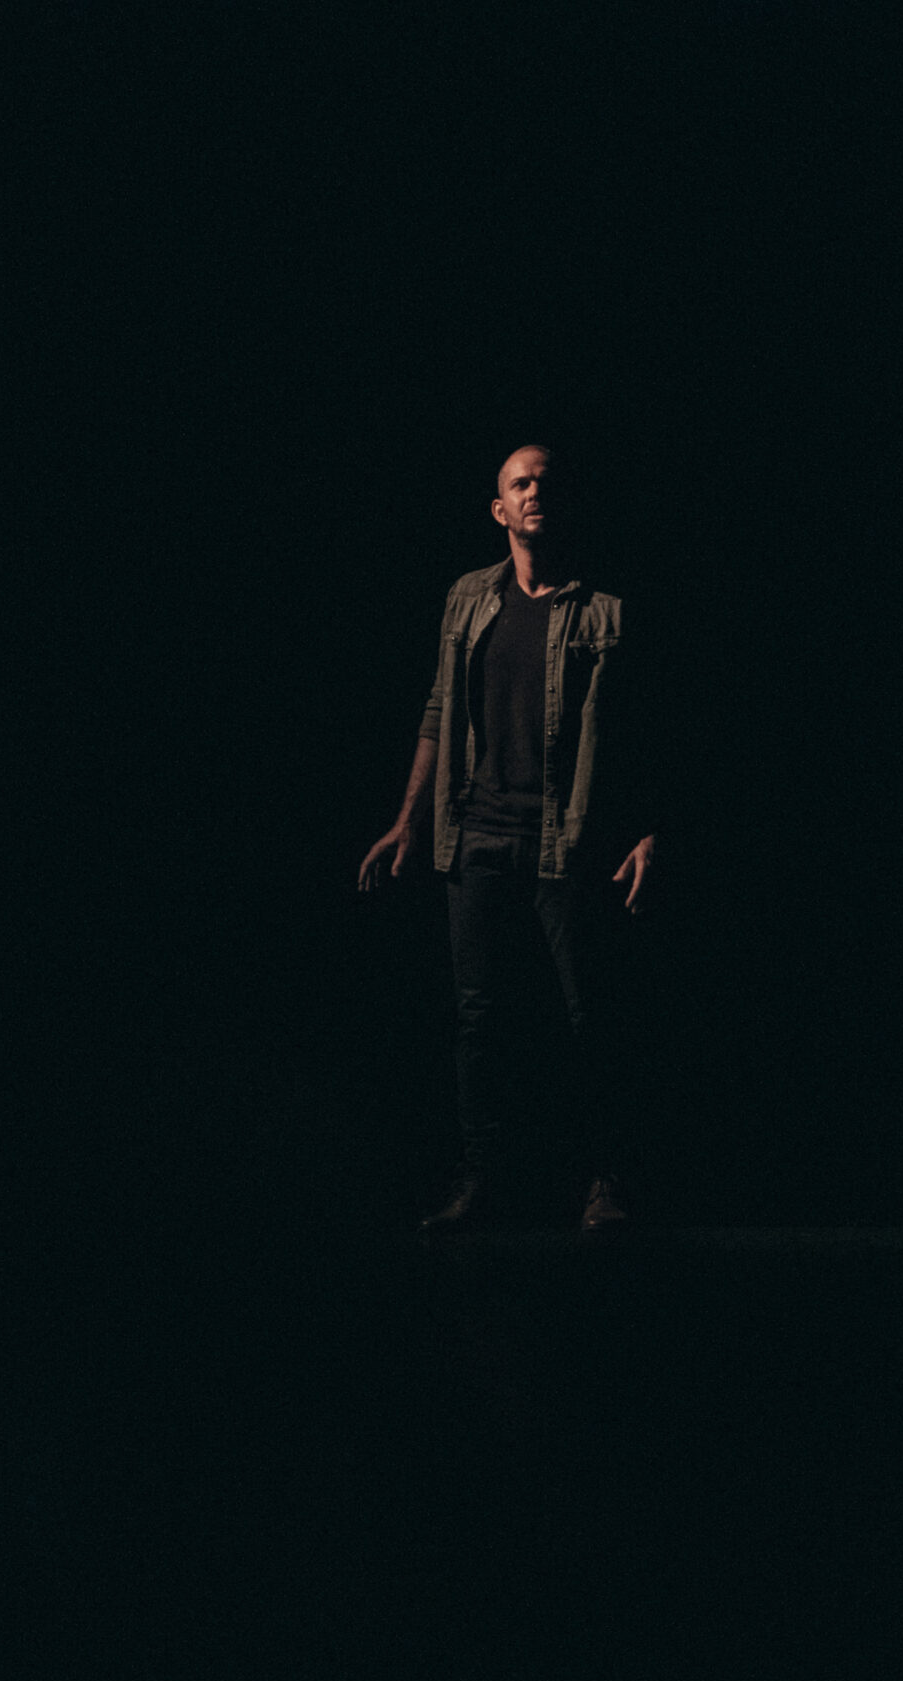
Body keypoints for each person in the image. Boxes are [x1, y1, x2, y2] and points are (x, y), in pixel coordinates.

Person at [358, 445, 658, 1237]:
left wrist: (649, 829)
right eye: (520, 483)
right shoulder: (468, 597)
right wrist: (409, 819)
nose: (534, 491)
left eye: (546, 482)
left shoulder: (606, 610)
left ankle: (606, 1182)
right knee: (478, 1019)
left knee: (588, 1017)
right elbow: (438, 708)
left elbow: (649, 729)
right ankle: (484, 1179)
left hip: (568, 841)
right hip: (477, 836)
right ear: (500, 509)